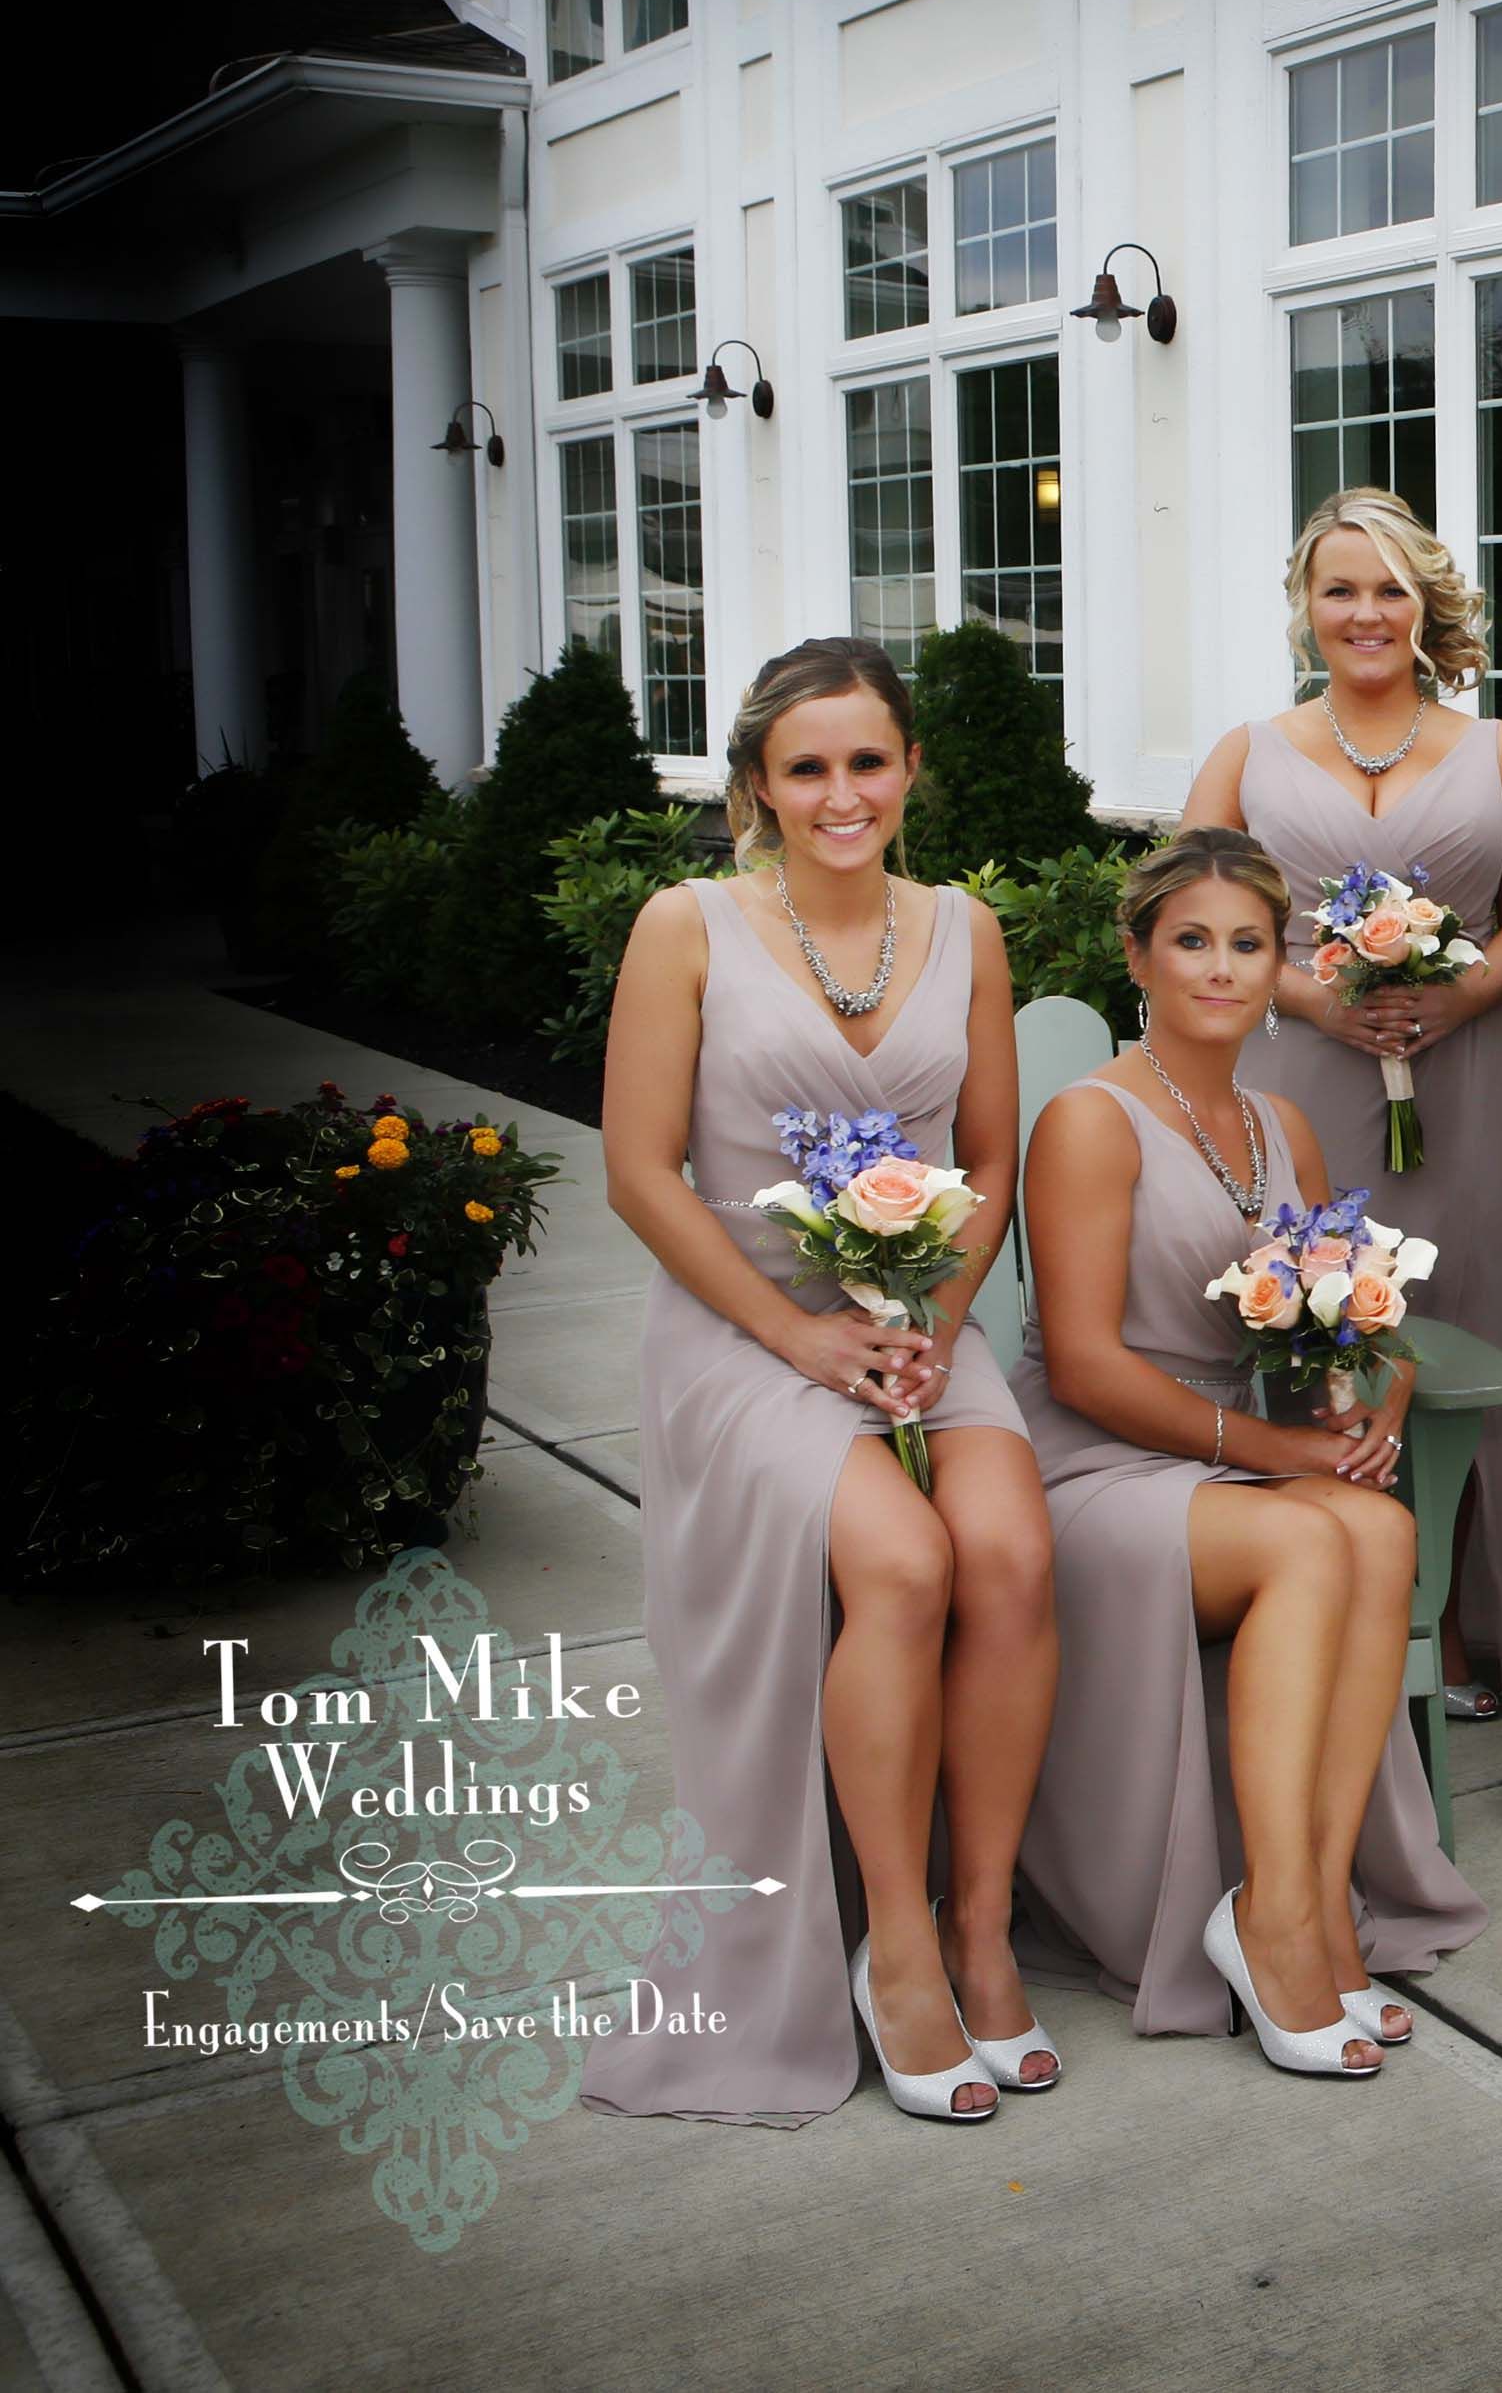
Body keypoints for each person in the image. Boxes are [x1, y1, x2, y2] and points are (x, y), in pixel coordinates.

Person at [585, 637, 1056, 2126]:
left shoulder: (965, 927)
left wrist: (933, 1316)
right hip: (744, 1334)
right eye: (808, 767)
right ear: (757, 788)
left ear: (911, 768)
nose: (841, 792)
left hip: (918, 1314)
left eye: (868, 760)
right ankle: (895, 1948)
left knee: (1011, 1548)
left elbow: (988, 1160)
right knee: (904, 1560)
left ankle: (983, 1924)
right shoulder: (689, 925)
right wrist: (799, 1336)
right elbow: (636, 1172)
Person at [1010, 829, 1485, 2078]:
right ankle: (1266, 1916)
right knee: (1303, 1537)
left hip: (1237, 1453)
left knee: (1377, 1525)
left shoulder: (1281, 1124)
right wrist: (1280, 1450)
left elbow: (1346, 1300)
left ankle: (1318, 1904)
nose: (1220, 969)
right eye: (1192, 942)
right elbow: (1080, 1364)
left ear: (1280, 964)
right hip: (1091, 1463)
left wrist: (1378, 1386)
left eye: (1247, 944)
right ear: (1139, 955)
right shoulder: (1088, 1121)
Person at [1187, 490, 1502, 1719]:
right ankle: (1340, 1600)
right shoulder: (1248, 753)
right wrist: (1310, 997)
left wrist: (1460, 993)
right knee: (1316, 1326)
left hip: (1466, 1083)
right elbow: (1189, 929)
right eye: (1340, 588)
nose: (1365, 612)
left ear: (1425, 602)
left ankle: (1474, 1625)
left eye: (1389, 588)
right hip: (1304, 1085)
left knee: (1469, 1312)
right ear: (1306, 608)